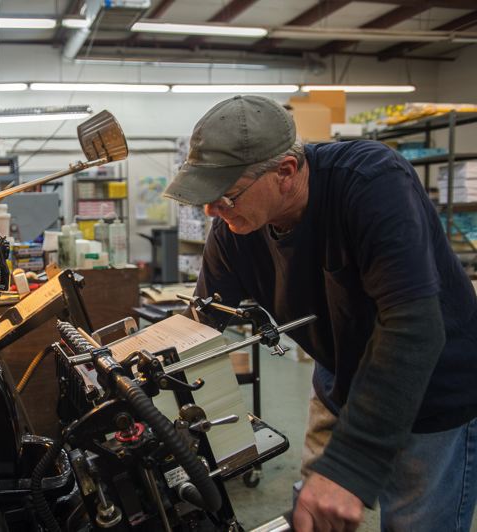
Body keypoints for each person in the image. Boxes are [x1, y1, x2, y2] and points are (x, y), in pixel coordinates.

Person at [164, 95, 477, 531]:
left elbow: (414, 328)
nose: (211, 211)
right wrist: (134, 367)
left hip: (429, 388)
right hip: (339, 376)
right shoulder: (234, 229)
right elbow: (200, 322)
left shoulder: (371, 182)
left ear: (285, 173)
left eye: (225, 196)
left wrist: (351, 467)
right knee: (314, 515)